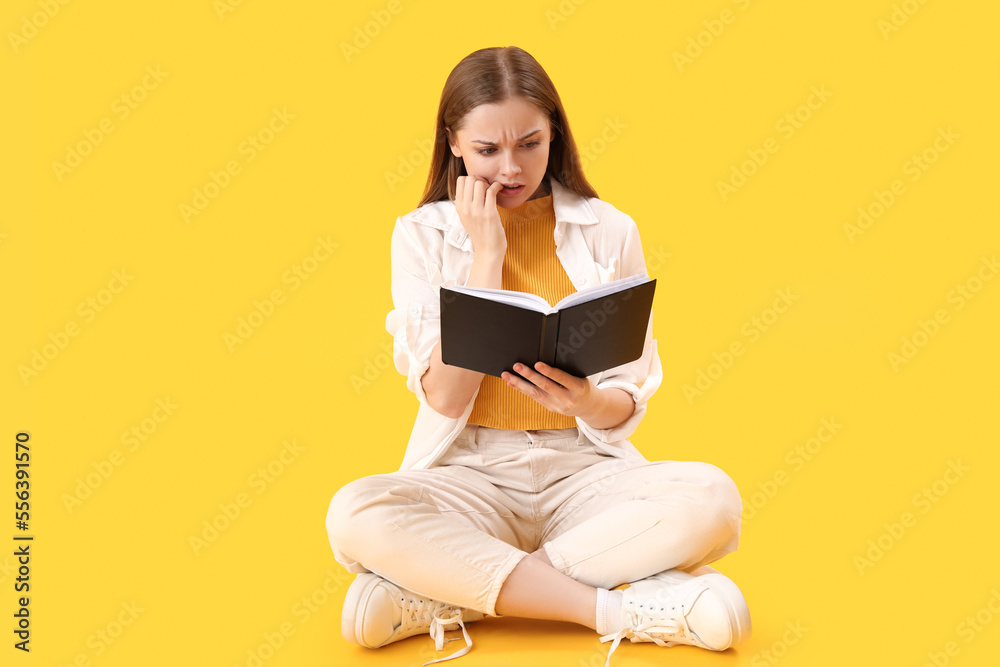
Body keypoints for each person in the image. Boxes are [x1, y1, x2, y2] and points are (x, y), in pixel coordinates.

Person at [326, 45, 750, 666]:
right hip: (471, 472)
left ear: (555, 134)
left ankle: (447, 593)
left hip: (585, 470)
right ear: (454, 144)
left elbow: (626, 400)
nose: (510, 168)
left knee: (714, 497)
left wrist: (587, 400)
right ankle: (618, 610)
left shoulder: (610, 229)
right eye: (487, 150)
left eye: (530, 144)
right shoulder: (421, 235)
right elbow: (444, 395)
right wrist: (485, 256)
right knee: (355, 512)